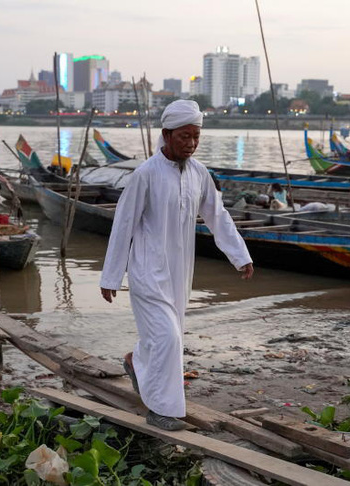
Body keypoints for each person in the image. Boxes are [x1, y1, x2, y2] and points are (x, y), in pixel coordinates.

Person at [99, 100, 254, 431]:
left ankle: (135, 361)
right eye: (185, 136)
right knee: (169, 339)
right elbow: (123, 225)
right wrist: (111, 275)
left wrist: (240, 255)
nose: (192, 143)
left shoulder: (199, 174)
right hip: (145, 271)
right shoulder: (145, 175)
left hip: (179, 272)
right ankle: (160, 410)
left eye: (196, 136)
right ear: (166, 135)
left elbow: (218, 216)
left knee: (163, 337)